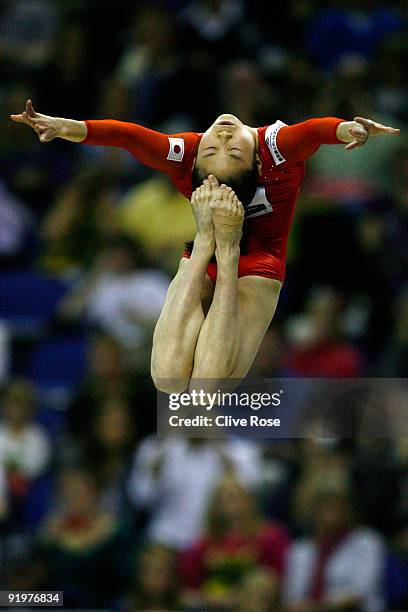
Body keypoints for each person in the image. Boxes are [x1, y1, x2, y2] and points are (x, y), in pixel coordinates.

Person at [11, 100, 400, 392]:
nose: (223, 137)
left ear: (260, 168)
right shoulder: (199, 152)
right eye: (215, 150)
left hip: (260, 262)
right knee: (167, 381)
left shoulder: (274, 148)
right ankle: (213, 242)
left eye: (228, 151)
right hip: (206, 247)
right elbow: (127, 136)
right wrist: (68, 127)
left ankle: (221, 247)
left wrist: (351, 131)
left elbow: (316, 130)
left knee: (204, 388)